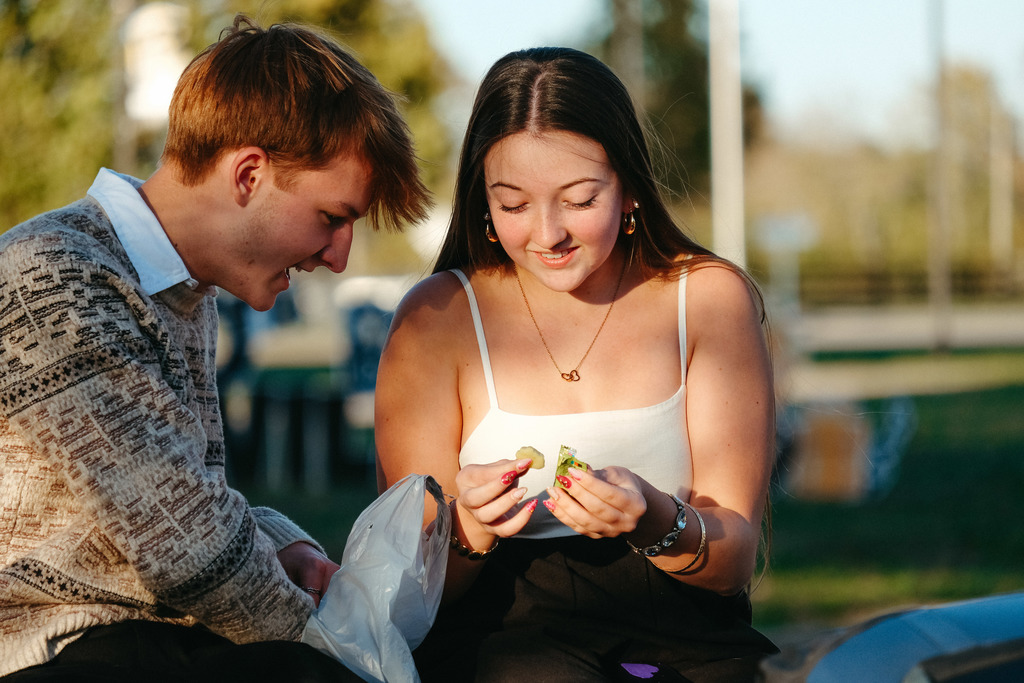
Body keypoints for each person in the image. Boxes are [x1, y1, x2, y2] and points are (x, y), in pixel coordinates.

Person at [0, 14, 430, 682]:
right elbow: (185, 549)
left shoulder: (182, 293)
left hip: (133, 639)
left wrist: (274, 541)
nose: (340, 257)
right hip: (49, 646)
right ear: (249, 174)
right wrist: (344, 651)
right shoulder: (58, 275)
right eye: (332, 217)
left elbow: (175, 501)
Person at [375, 47, 777, 682]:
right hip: (496, 637)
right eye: (512, 205)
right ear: (482, 201)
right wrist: (473, 527)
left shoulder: (706, 299)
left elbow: (733, 561)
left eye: (581, 198)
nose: (548, 233)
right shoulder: (437, 318)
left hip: (688, 637)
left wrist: (653, 518)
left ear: (630, 189)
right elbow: (408, 587)